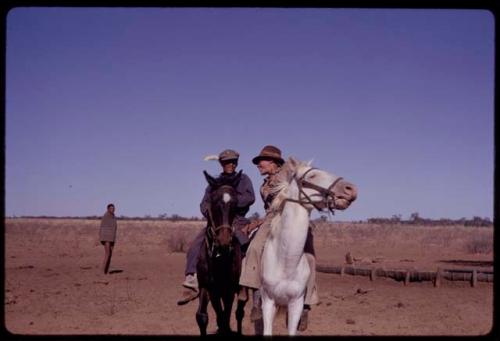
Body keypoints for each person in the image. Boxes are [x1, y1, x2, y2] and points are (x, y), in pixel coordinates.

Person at [238, 145, 318, 331]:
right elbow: (270, 211)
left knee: (311, 259)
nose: (258, 165)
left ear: (273, 162)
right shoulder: (263, 185)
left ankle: (306, 305)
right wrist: (257, 223)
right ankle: (254, 295)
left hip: (292, 220)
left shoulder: (287, 175)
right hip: (271, 220)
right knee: (254, 248)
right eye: (258, 162)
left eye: (261, 162)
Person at [178, 149, 256, 303]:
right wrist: (213, 211)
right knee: (196, 245)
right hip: (218, 221)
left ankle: (244, 284)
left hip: (237, 219)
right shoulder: (214, 182)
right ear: (221, 164)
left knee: (247, 245)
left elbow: (250, 197)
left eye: (234, 161)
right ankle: (192, 279)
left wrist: (230, 201)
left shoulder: (244, 179)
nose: (231, 164)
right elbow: (204, 203)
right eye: (227, 162)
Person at [99, 203, 118, 274]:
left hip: (112, 237)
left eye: (114, 208)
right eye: (111, 208)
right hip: (106, 238)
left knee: (110, 254)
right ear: (108, 209)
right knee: (107, 253)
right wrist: (102, 238)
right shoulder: (105, 216)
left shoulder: (113, 217)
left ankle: (106, 271)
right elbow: (103, 228)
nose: (113, 209)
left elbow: (114, 227)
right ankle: (102, 271)